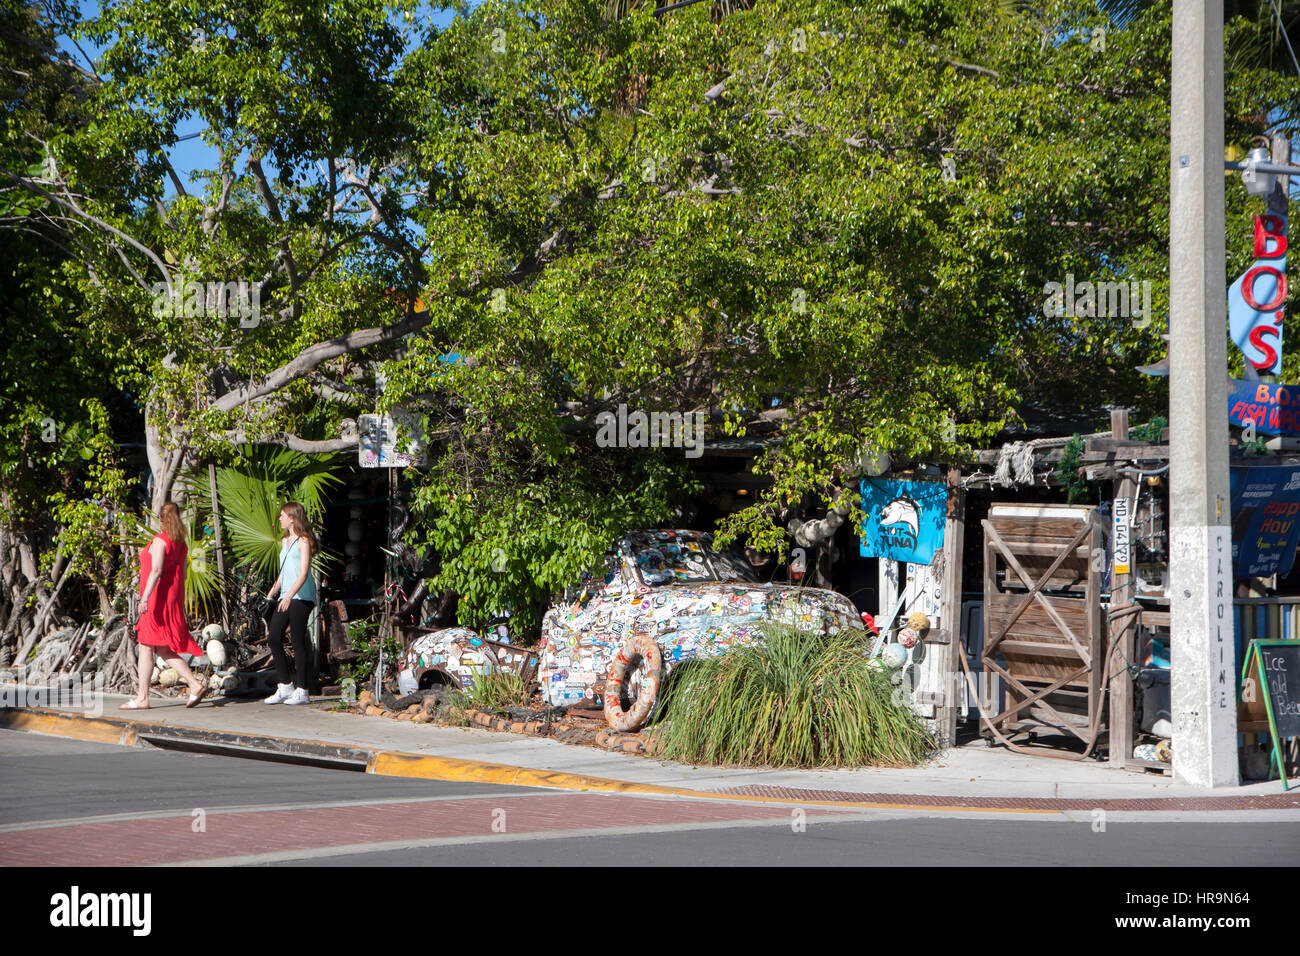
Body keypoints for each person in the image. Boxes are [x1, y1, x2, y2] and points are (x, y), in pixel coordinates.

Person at [121, 502, 210, 709]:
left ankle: (144, 697)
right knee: (159, 647)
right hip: (171, 598)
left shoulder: (161, 541)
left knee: (146, 645)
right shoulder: (181, 543)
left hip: (156, 599)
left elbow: (156, 570)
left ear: (161, 518)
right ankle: (194, 684)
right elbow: (184, 575)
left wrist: (144, 598)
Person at [263, 502, 318, 705]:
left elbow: (303, 573)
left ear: (292, 518)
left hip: (301, 596)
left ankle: (303, 690)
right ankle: (285, 685)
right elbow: (284, 572)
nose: (280, 519)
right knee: (274, 637)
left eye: (283, 515)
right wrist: (272, 594)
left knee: (297, 640)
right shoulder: (285, 541)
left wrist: (289, 595)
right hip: (285, 594)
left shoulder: (304, 541)